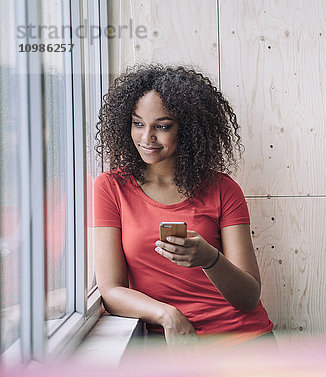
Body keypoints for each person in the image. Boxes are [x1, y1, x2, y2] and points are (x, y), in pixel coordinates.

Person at [93, 65, 273, 348]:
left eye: (162, 126)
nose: (146, 138)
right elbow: (111, 289)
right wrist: (167, 315)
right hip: (171, 341)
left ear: (188, 129)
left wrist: (209, 259)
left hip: (243, 339)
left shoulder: (224, 190)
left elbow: (249, 297)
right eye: (137, 123)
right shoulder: (111, 188)